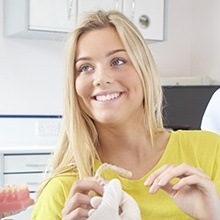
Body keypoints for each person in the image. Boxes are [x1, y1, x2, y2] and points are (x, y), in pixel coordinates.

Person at [31, 10, 220, 220]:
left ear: (144, 69)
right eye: (85, 67)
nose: (101, 78)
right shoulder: (65, 193)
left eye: (118, 61)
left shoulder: (210, 153)